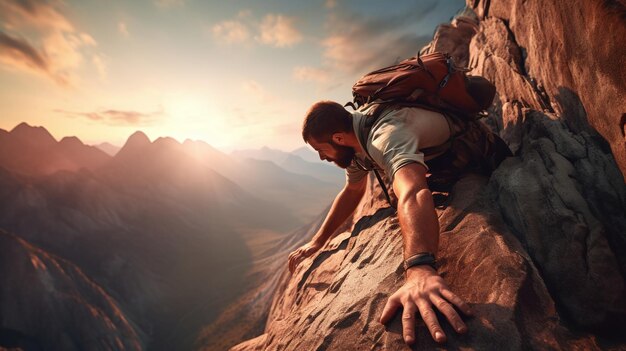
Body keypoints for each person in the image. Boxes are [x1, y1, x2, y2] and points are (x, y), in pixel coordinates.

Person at [287, 100, 508, 345]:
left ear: (338, 138)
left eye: (321, 150)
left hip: (479, 151)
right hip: (438, 159)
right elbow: (352, 190)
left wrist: (420, 269)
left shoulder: (385, 136)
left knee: (400, 189)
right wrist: (318, 241)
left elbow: (413, 191)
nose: (321, 157)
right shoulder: (355, 140)